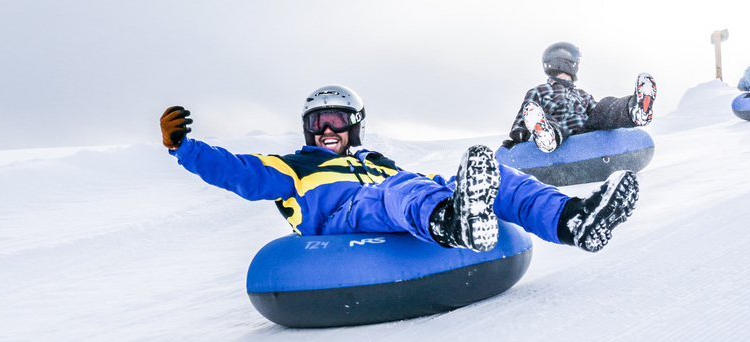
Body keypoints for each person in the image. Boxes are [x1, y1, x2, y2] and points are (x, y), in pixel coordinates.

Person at [161, 85, 639, 253]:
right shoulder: (293, 166)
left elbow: (403, 190)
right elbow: (237, 171)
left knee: (493, 177)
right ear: (307, 130)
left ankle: (574, 221)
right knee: (399, 188)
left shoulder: (376, 161)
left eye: (338, 121)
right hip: (344, 221)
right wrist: (185, 147)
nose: (329, 130)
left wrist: (453, 189)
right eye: (318, 122)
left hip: (393, 203)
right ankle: (455, 223)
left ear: (355, 127)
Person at [503, 42, 658, 153]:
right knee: (549, 121)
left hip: (586, 133)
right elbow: (525, 117)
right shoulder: (538, 91)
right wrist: (519, 134)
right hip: (561, 133)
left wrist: (607, 111)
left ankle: (634, 109)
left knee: (605, 105)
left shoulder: (583, 94)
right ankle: (545, 135)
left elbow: (601, 114)